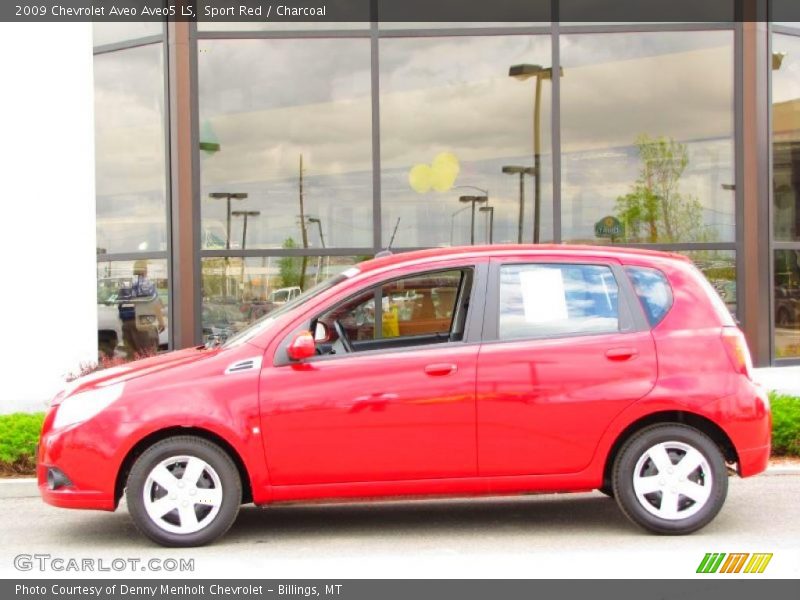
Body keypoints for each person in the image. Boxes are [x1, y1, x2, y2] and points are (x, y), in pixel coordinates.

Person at [118, 260, 165, 358]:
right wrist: (161, 322)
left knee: (132, 357)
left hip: (126, 324)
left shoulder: (125, 284)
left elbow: (121, 304)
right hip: (143, 324)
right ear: (145, 270)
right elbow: (155, 305)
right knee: (148, 356)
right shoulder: (147, 284)